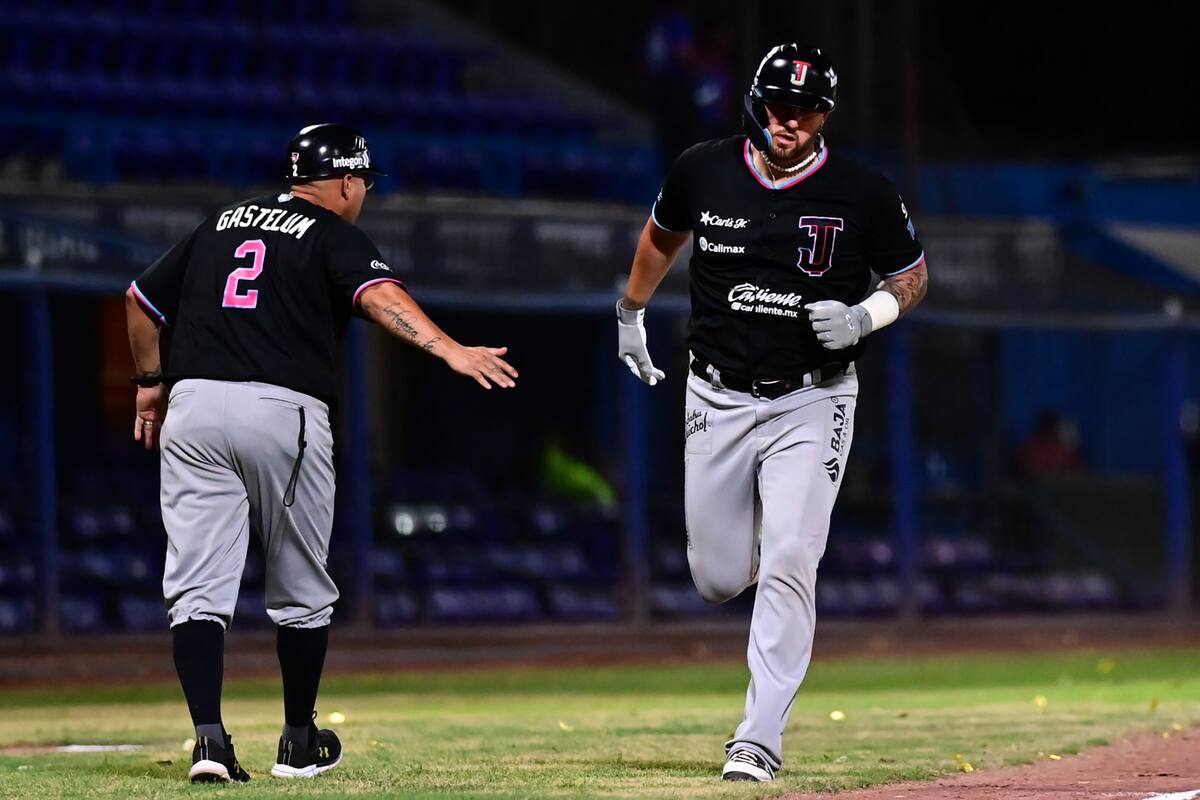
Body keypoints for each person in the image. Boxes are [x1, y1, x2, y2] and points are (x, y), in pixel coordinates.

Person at [125, 123, 518, 783]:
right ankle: (299, 741)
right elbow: (380, 296)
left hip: (192, 407)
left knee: (196, 588)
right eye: (363, 182)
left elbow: (139, 302)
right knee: (302, 587)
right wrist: (448, 347)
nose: (362, 193)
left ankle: (210, 742)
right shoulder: (332, 233)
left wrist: (146, 386)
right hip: (281, 409)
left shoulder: (219, 223)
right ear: (344, 180)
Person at [616, 44, 929, 781]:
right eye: (779, 106)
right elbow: (662, 236)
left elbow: (913, 274)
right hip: (716, 392)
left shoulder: (864, 189)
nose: (790, 120)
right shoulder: (702, 167)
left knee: (791, 558)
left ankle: (756, 740)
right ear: (756, 103)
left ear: (825, 113)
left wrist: (868, 315)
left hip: (813, 397)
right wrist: (630, 309)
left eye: (807, 109)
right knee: (716, 578)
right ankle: (771, 550)